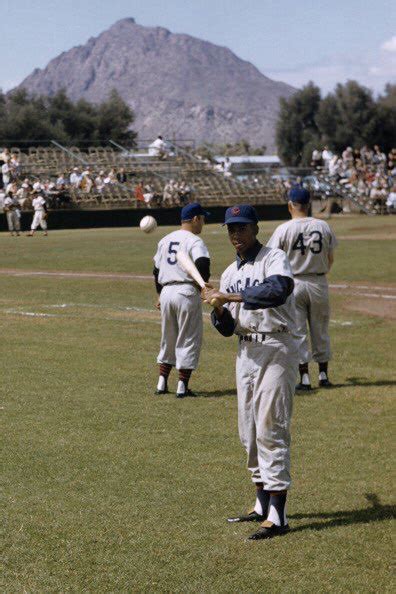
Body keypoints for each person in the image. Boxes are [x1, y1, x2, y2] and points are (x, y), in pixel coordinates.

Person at [203, 204, 298, 540]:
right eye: (231, 229)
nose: (236, 235)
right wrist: (218, 309)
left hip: (276, 347)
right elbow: (228, 328)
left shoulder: (274, 258)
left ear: (255, 228)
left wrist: (231, 295)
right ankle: (261, 504)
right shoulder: (229, 271)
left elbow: (279, 290)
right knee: (248, 431)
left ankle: (278, 515)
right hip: (246, 352)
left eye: (242, 228)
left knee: (271, 428)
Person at [267, 187, 337, 390]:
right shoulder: (323, 226)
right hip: (318, 281)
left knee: (297, 331)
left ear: (290, 205)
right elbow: (330, 258)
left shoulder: (283, 229)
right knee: (320, 329)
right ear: (309, 204)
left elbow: (272, 258)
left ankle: (304, 378)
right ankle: (323, 375)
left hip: (293, 283)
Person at [153, 203, 211, 398]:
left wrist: (159, 294)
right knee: (188, 337)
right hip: (186, 291)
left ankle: (161, 383)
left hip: (167, 290)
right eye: (202, 218)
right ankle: (182, 386)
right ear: (195, 219)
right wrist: (202, 285)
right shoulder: (194, 240)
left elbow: (156, 270)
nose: (203, 223)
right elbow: (202, 263)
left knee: (168, 337)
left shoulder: (165, 239)